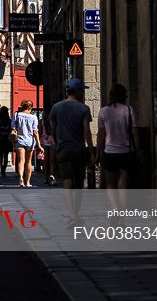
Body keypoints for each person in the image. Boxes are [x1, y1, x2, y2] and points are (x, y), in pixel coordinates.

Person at [50, 78, 94, 222]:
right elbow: (87, 132)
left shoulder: (56, 107)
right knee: (79, 183)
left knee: (67, 182)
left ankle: (72, 214)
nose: (83, 93)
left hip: (63, 149)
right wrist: (91, 151)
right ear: (79, 91)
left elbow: (52, 129)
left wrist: (58, 143)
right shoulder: (84, 109)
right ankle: (76, 212)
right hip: (78, 150)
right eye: (82, 90)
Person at [97, 83, 137, 194]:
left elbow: (101, 134)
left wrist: (96, 153)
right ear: (124, 96)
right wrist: (138, 149)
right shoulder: (128, 110)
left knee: (110, 184)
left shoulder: (103, 111)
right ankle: (122, 211)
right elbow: (134, 132)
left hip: (109, 151)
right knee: (123, 184)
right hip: (126, 151)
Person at [11, 100, 43, 187]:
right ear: (31, 107)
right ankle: (27, 182)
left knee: (21, 161)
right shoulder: (33, 117)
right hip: (30, 141)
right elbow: (35, 132)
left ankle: (20, 177)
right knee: (28, 162)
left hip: (20, 140)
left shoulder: (17, 115)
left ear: (22, 106)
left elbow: (13, 128)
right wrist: (39, 145)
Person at [38, 108, 56, 186]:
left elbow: (39, 132)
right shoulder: (54, 121)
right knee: (52, 161)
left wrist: (38, 144)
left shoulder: (42, 121)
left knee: (45, 162)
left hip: (44, 142)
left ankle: (45, 179)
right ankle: (52, 175)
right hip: (53, 141)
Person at [0, 106, 12, 177]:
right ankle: (3, 170)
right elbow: (11, 131)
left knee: (0, 156)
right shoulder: (9, 121)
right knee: (6, 155)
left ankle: (1, 168)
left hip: (0, 140)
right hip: (7, 140)